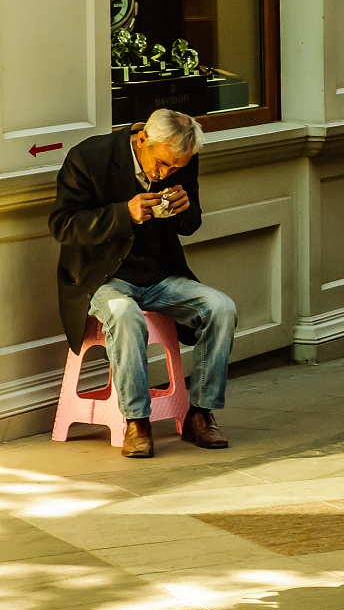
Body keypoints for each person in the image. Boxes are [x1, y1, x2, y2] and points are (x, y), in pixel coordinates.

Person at [49, 108, 238, 458]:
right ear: (142, 140)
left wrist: (185, 210)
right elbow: (63, 225)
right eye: (162, 164)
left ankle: (201, 413)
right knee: (124, 314)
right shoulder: (89, 157)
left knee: (221, 307)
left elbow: (190, 223)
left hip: (160, 275)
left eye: (175, 168)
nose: (164, 173)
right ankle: (137, 420)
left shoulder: (182, 160)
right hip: (101, 278)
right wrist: (124, 213)